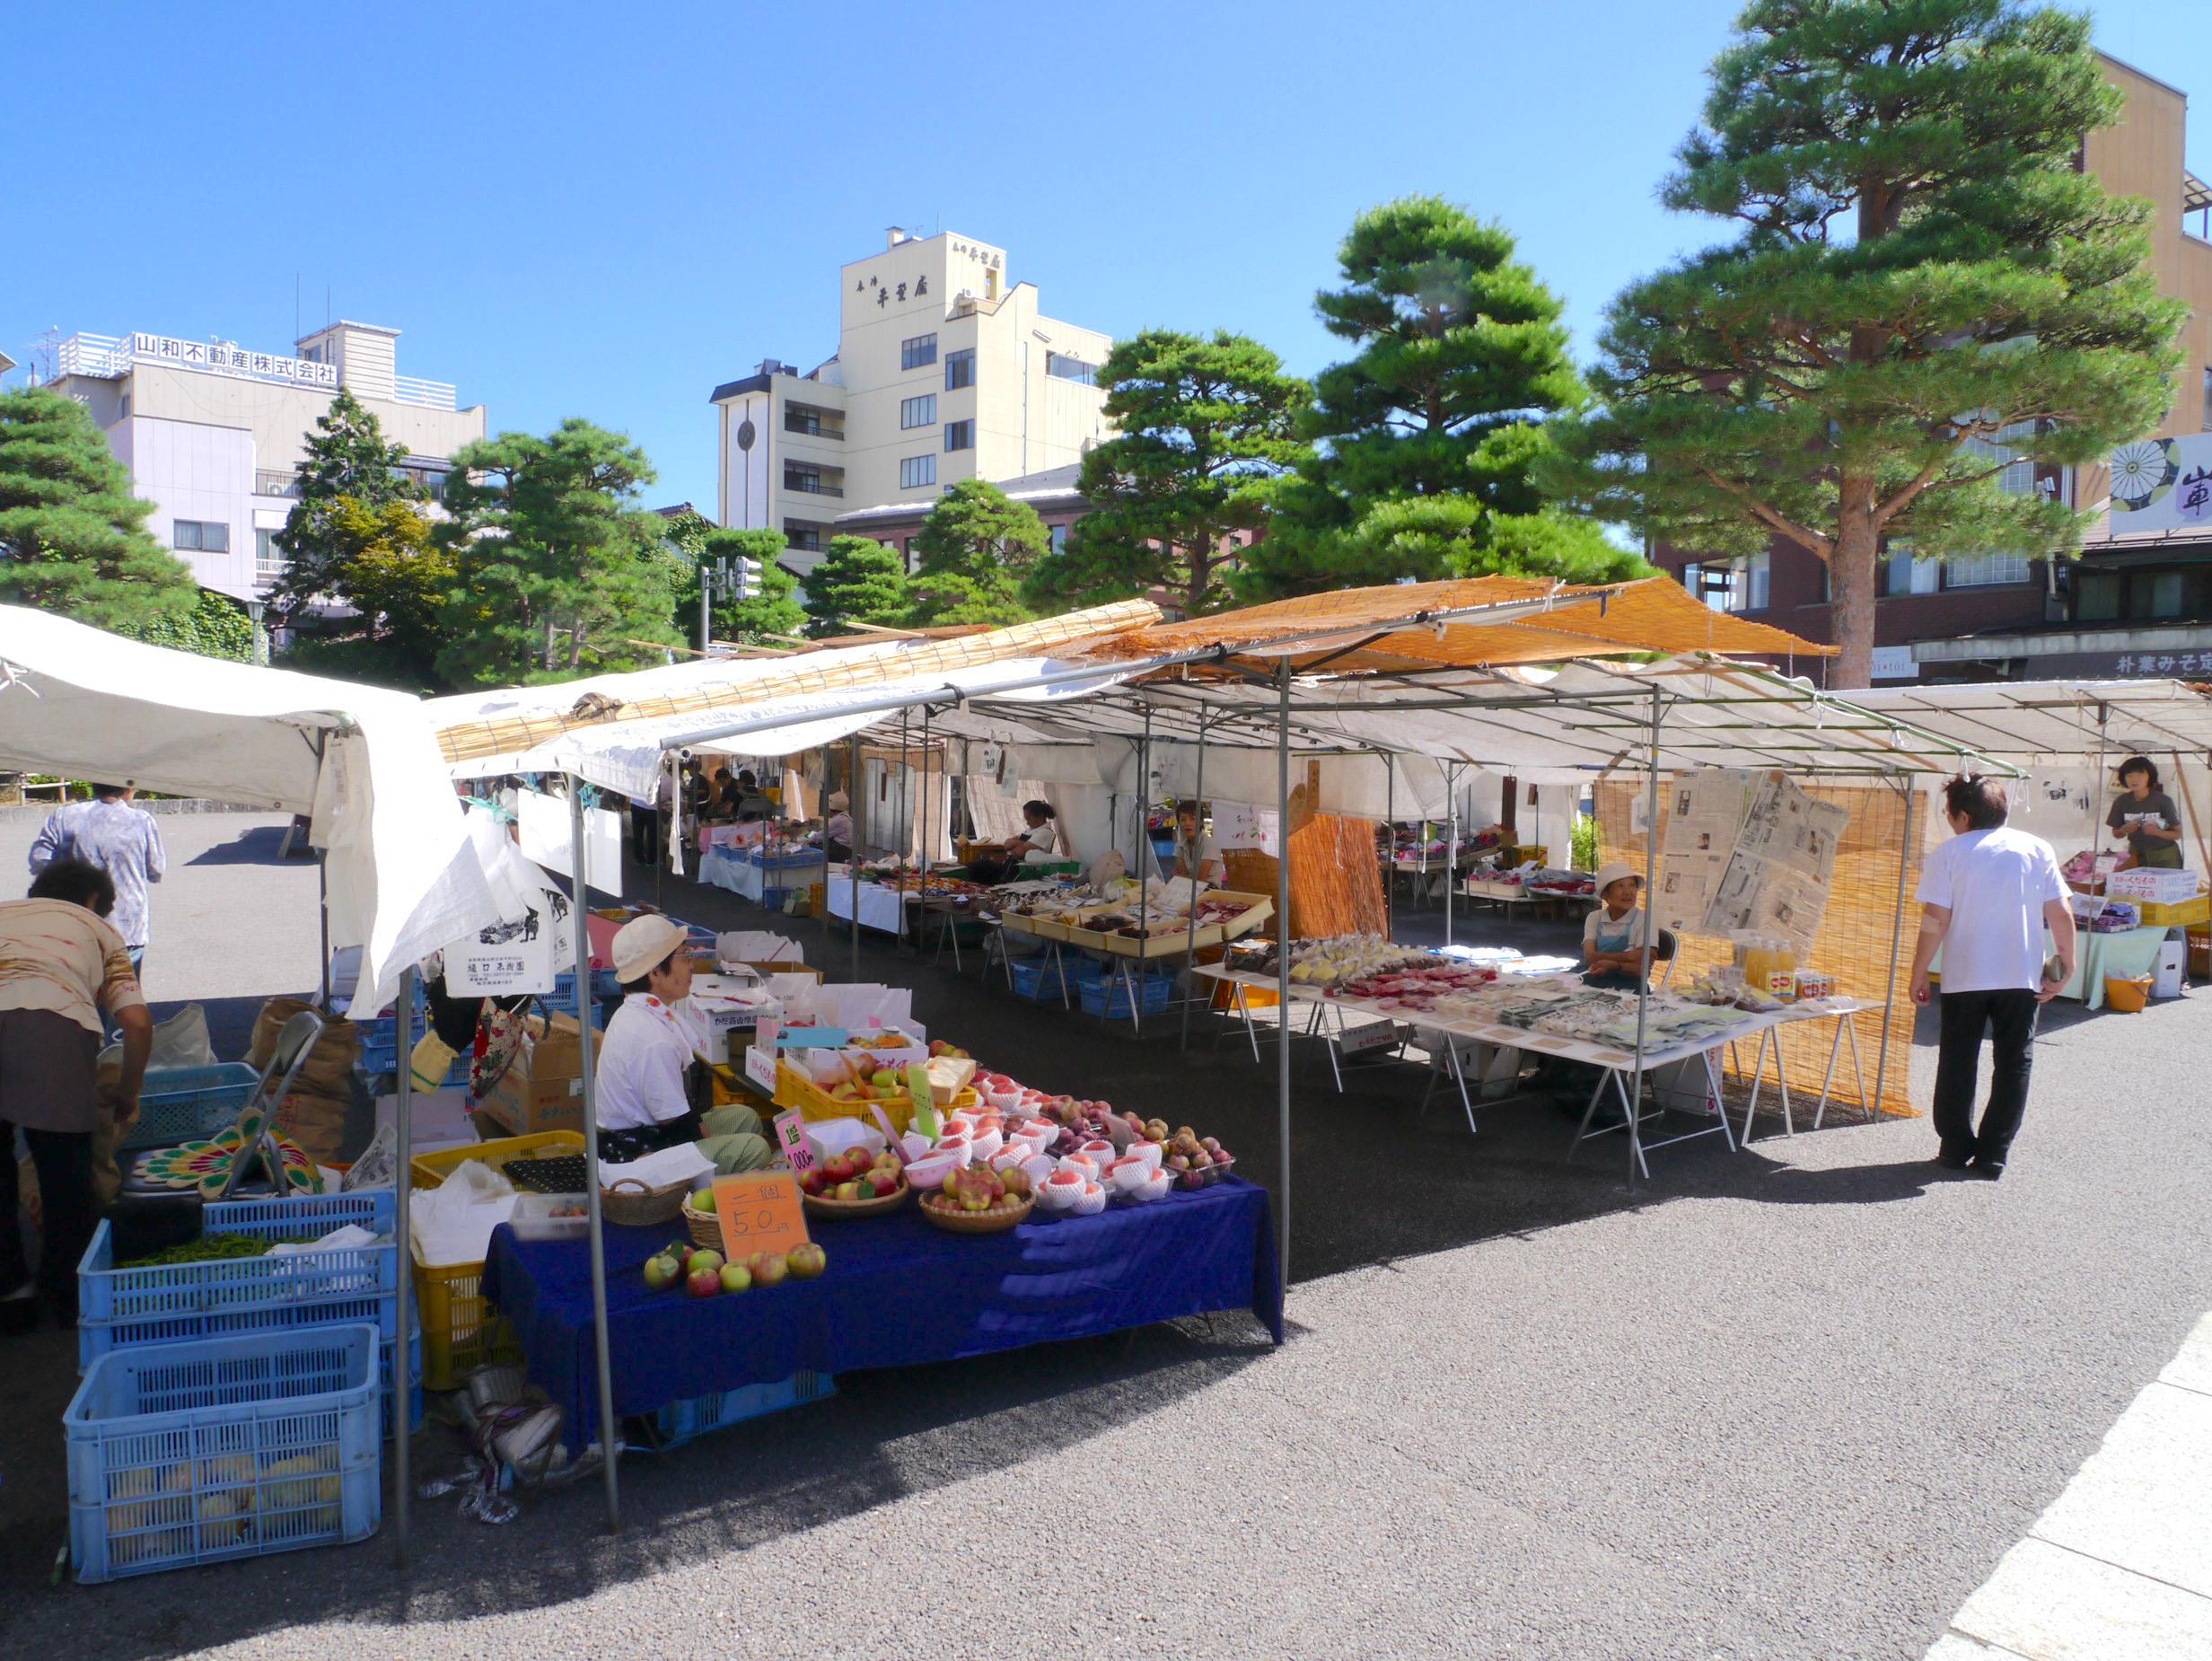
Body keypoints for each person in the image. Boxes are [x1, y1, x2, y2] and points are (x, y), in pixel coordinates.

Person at [1, 859, 153, 1333]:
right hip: (53, 1027)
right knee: (64, 1173)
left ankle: (11, 1295)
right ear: (93, 901)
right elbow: (138, 1024)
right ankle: (66, 1295)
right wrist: (127, 1093)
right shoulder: (100, 930)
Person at [1909, 774, 2075, 1180]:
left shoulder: (1949, 853)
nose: (1949, 821)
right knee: (2014, 1061)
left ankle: (1953, 1147)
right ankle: (1993, 1153)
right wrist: (2065, 966)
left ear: (1963, 815)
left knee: (1957, 1060)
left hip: (1965, 972)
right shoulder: (2036, 848)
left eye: (1950, 814)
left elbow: (1936, 920)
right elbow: (2059, 912)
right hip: (2021, 975)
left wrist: (1917, 972)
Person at [594, 916, 769, 1172]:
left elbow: (673, 1111)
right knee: (755, 1148)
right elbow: (674, 1122)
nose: (692, 966)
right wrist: (707, 1142)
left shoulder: (639, 1010)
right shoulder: (653, 1039)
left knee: (744, 1116)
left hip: (648, 1133)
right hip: (635, 1156)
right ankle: (707, 1196)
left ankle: (722, 1187)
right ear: (655, 973)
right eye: (685, 957)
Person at [30, 783, 166, 976]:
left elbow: (39, 860)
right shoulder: (141, 820)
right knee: (124, 995)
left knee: (78, 994)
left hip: (75, 922)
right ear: (128, 789)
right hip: (127, 924)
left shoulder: (64, 816)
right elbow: (156, 869)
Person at [1581, 862, 1657, 990]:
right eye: (1620, 886)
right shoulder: (1595, 918)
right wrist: (1630, 956)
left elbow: (1642, 968)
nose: (1628, 892)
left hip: (1629, 984)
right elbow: (1589, 958)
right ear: (1605, 894)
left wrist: (1613, 964)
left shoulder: (1645, 919)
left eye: (1632, 885)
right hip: (1595, 977)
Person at [2106, 755, 2185, 871]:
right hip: (2136, 854)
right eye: (2129, 775)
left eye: (2140, 775)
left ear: (2149, 776)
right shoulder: (2121, 801)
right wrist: (2124, 830)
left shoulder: (2163, 801)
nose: (2134, 779)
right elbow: (2116, 834)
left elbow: (2177, 834)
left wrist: (2156, 832)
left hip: (2165, 856)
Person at [1171, 802, 1225, 885]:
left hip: (1210, 888)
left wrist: (1178, 876)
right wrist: (1180, 876)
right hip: (1187, 887)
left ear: (1201, 822)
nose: (1187, 823)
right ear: (1179, 823)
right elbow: (1183, 876)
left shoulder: (1209, 844)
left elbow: (1201, 879)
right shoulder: (1179, 846)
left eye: (1192, 818)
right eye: (1183, 819)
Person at [823, 791, 853, 861]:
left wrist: (809, 839)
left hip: (842, 850)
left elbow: (824, 834)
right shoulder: (845, 816)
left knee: (816, 846)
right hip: (847, 849)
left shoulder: (838, 820)